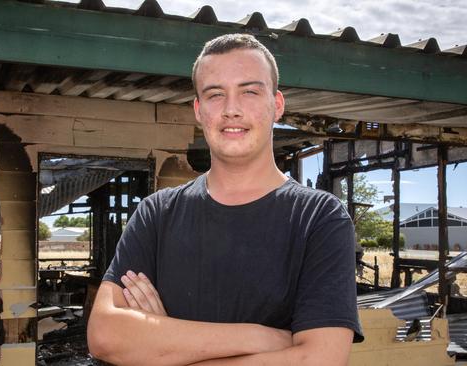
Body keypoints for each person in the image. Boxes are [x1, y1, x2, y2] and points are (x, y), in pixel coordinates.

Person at [87, 33, 362, 365]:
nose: (232, 109)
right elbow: (105, 335)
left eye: (249, 91)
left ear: (276, 105)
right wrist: (259, 337)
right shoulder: (156, 214)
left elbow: (320, 360)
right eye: (216, 95)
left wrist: (162, 340)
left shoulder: (319, 218)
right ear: (199, 111)